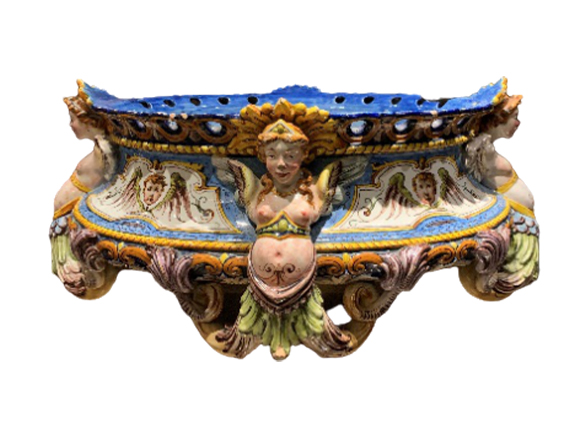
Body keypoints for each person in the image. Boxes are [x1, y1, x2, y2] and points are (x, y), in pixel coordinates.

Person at [51, 95, 119, 299]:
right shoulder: (101, 146)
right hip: (66, 215)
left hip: (74, 215)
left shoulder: (105, 151)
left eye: (73, 119)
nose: (70, 125)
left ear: (88, 123)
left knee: (71, 264)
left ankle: (83, 274)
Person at [465, 95, 534, 211]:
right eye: (515, 117)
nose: (518, 123)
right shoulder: (480, 148)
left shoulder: (487, 146)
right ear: (499, 119)